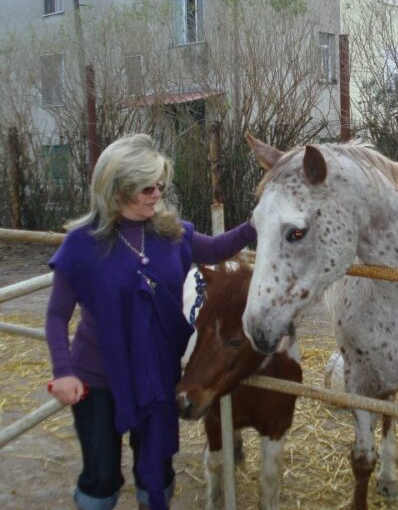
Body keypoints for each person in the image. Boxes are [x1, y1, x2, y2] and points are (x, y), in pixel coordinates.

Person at [45, 134, 256, 510]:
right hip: (97, 378)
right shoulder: (82, 243)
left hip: (157, 375)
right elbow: (57, 314)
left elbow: (222, 247)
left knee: (156, 465)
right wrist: (63, 371)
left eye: (160, 185)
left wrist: (261, 220)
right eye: (147, 187)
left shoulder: (172, 233)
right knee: (102, 473)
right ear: (117, 189)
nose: (156, 193)